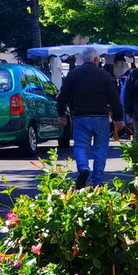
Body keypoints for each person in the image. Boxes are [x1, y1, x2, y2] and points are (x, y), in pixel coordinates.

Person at [57, 47, 124, 188]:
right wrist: (118, 118)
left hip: (80, 116)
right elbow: (114, 98)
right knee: (100, 148)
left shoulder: (73, 74)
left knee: (80, 145)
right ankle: (97, 181)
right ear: (95, 60)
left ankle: (83, 168)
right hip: (101, 116)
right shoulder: (104, 75)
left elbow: (63, 96)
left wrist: (61, 114)